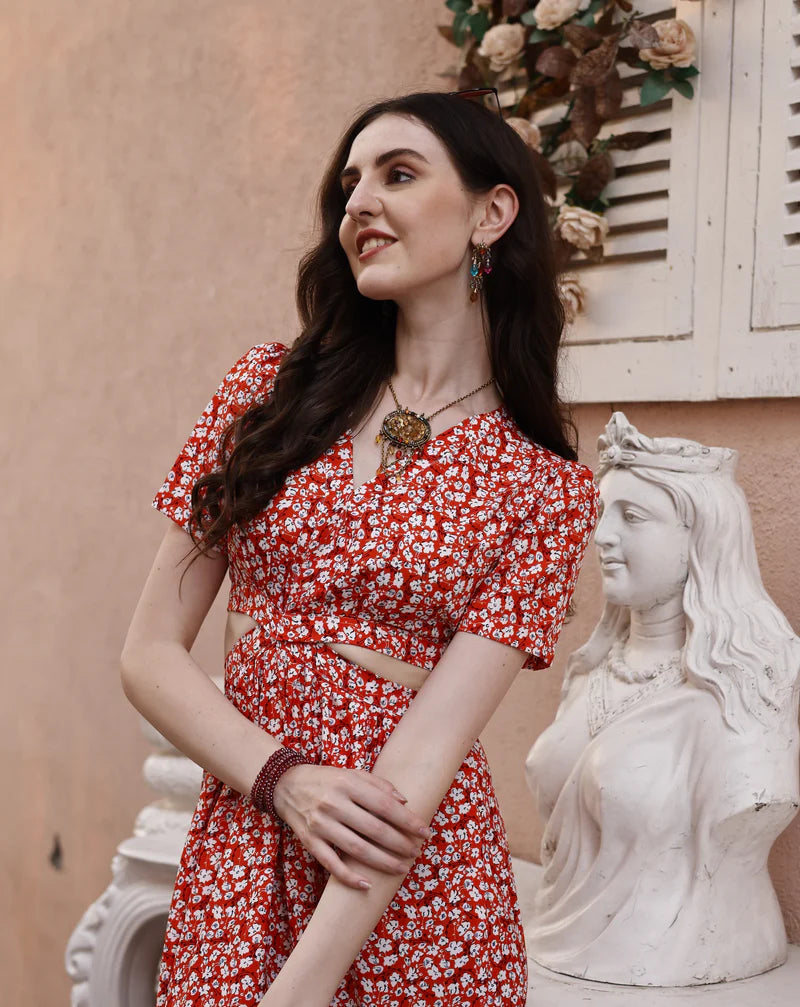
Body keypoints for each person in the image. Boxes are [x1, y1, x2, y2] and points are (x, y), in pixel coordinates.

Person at [121, 91, 598, 1007]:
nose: (358, 205)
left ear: (492, 214)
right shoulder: (266, 392)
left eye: (399, 175)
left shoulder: (545, 486)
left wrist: (306, 981)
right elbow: (146, 654)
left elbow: (429, 755)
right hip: (245, 841)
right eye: (349, 185)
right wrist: (281, 778)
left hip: (407, 889)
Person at [525, 413, 800, 986]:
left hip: (692, 955)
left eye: (633, 517)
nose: (602, 535)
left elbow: (749, 805)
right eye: (603, 514)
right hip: (553, 946)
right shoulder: (594, 670)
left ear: (700, 539)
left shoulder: (747, 687)